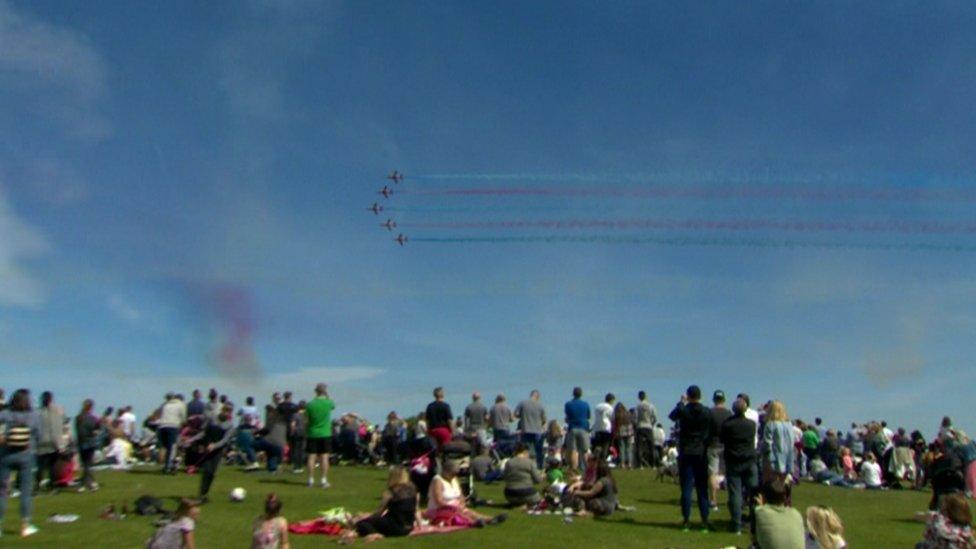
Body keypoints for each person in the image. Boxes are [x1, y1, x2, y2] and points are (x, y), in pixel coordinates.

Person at [669, 384, 714, 531]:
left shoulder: (684, 410)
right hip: (700, 451)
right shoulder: (706, 411)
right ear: (700, 396)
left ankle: (686, 520)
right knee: (702, 488)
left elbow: (672, 416)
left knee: (686, 489)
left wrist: (681, 402)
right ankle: (704, 520)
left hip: (686, 451)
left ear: (688, 396)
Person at [0, 389, 42, 538]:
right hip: (26, 455)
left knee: (2, 491)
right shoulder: (34, 415)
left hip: (5, 454)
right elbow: (39, 435)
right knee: (25, 492)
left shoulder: (5, 414)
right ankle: (25, 525)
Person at [345, 466, 421, 542]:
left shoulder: (391, 491)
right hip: (408, 528)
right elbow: (416, 510)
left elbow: (378, 513)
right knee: (376, 522)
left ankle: (374, 534)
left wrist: (365, 517)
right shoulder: (413, 489)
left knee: (362, 523)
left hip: (395, 527)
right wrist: (420, 526)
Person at [721, 397, 758, 536]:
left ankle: (736, 525)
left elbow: (722, 439)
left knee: (735, 494)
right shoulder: (751, 425)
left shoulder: (727, 425)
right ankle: (755, 523)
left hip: (733, 460)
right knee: (753, 492)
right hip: (749, 460)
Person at [425, 460, 499, 527]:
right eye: (452, 474)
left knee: (468, 512)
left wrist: (462, 503)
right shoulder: (437, 480)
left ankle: (489, 519)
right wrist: (453, 507)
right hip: (439, 509)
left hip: (456, 507)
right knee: (459, 514)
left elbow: (460, 495)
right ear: (445, 471)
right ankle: (474, 522)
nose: (454, 476)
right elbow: (439, 501)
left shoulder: (454, 479)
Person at [186, 404, 236, 502]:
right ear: (222, 410)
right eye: (225, 410)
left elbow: (225, 440)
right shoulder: (212, 419)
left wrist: (215, 445)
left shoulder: (229, 425)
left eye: (229, 412)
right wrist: (191, 440)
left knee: (212, 473)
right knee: (207, 471)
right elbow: (204, 433)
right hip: (207, 448)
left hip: (217, 451)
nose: (226, 413)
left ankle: (205, 494)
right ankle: (201, 494)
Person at [754, 478, 804, 549]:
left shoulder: (759, 511)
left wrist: (761, 505)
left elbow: (753, 539)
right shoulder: (796, 513)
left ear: (764, 497)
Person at [305, 383, 335, 488]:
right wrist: (327, 395)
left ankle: (310, 479)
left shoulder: (309, 404)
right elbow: (333, 405)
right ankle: (323, 479)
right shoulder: (328, 403)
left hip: (312, 433)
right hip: (325, 433)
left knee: (311, 457)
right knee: (324, 457)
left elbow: (307, 420)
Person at [35, 391, 65, 492]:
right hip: (52, 442)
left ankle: (38, 484)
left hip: (40, 442)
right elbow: (56, 428)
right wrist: (60, 444)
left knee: (40, 466)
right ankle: (52, 485)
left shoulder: (37, 412)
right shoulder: (57, 411)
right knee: (53, 465)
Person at [708, 390, 732, 510]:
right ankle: (730, 499)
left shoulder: (710, 412)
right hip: (726, 445)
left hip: (713, 445)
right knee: (728, 473)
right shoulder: (729, 413)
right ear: (724, 400)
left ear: (714, 400)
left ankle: (713, 500)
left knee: (713, 473)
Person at [762, 400, 796, 484]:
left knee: (770, 486)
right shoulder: (789, 425)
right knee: (782, 486)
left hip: (773, 459)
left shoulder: (770, 424)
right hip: (787, 459)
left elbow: (767, 444)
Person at [513, 390, 546, 469]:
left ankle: (526, 467)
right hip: (537, 431)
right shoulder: (540, 406)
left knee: (525, 450)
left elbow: (515, 414)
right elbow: (544, 420)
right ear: (537, 396)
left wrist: (523, 416)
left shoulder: (522, 403)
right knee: (538, 451)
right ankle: (539, 467)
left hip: (525, 430)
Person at [75, 398, 101, 491]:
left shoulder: (78, 418)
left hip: (81, 443)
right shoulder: (93, 419)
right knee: (88, 464)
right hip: (90, 442)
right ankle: (89, 483)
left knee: (85, 464)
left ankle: (85, 482)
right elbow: (97, 430)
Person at [158, 393, 187, 474]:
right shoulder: (181, 404)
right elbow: (183, 418)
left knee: (166, 448)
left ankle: (167, 465)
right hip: (173, 426)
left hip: (162, 426)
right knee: (172, 447)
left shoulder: (165, 404)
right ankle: (169, 467)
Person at [564, 387, 591, 471]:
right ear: (581, 394)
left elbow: (567, 417)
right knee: (585, 450)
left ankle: (574, 468)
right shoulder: (585, 404)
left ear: (573, 394)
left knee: (573, 450)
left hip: (572, 428)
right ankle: (588, 468)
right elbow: (588, 416)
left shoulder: (568, 404)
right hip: (583, 427)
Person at [425, 387, 454, 451]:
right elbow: (449, 420)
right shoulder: (446, 406)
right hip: (444, 430)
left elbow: (427, 421)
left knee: (434, 450)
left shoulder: (430, 406)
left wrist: (428, 432)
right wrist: (452, 431)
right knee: (446, 449)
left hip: (433, 430)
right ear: (442, 395)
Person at [635, 390, 657, 468]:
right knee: (651, 445)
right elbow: (654, 417)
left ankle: (640, 464)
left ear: (639, 397)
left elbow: (635, 417)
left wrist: (636, 425)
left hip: (640, 426)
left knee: (639, 446)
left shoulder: (638, 406)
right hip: (648, 426)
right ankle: (653, 464)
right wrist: (652, 424)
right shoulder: (651, 405)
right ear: (646, 396)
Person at [592, 393, 615, 458]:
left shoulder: (598, 406)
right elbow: (612, 418)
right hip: (606, 428)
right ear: (611, 400)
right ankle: (603, 460)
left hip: (597, 427)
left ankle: (596, 459)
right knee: (605, 446)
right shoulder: (610, 408)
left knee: (598, 446)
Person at [613, 402, 634, 469]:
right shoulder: (628, 413)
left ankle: (622, 464)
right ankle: (630, 464)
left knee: (622, 449)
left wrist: (615, 434)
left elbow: (616, 425)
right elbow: (632, 422)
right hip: (629, 432)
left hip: (621, 432)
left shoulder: (617, 415)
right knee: (629, 448)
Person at [290, 401, 307, 473]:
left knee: (296, 449)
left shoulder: (295, 415)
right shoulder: (306, 415)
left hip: (297, 433)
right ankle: (300, 466)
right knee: (302, 450)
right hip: (304, 433)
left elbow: (293, 424)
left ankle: (296, 467)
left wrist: (292, 432)